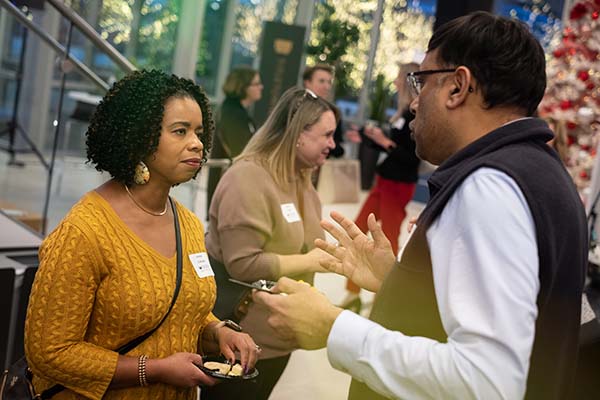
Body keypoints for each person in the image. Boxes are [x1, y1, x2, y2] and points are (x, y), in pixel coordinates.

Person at [254, 11, 587, 400]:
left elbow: (486, 383)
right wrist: (399, 283)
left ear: (457, 87)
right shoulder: (541, 171)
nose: (414, 102)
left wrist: (334, 328)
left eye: (421, 81)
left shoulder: (490, 186)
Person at [24, 70, 259, 400]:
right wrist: (155, 369)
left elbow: (179, 305)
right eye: (180, 131)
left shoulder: (189, 225)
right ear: (139, 137)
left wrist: (216, 331)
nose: (196, 143)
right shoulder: (84, 232)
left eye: (199, 132)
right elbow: (49, 353)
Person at [202, 87, 338, 399]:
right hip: (240, 339)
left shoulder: (300, 178)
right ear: (298, 132)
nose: (333, 144)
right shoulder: (248, 178)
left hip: (278, 338)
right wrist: (313, 261)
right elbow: (243, 263)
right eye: (327, 135)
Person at [341, 62, 421, 311]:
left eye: (398, 78)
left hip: (398, 185)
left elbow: (411, 157)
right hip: (384, 181)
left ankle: (384, 296)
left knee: (387, 240)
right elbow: (391, 147)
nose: (395, 83)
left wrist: (384, 142)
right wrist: (368, 139)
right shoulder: (401, 114)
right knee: (359, 227)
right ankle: (353, 293)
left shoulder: (415, 116)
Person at [206, 66, 263, 215]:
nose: (261, 87)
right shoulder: (232, 113)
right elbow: (241, 152)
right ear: (243, 87)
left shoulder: (238, 111)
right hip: (229, 187)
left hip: (234, 183)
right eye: (256, 84)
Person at [303, 64, 358, 157]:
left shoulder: (333, 113)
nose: (326, 86)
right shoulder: (295, 106)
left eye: (329, 82)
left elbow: (337, 148)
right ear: (307, 82)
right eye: (321, 81)